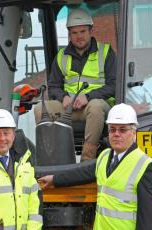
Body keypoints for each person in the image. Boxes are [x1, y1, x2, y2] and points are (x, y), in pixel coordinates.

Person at [38, 103, 152, 230]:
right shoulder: (104, 157)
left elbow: (148, 215)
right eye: (112, 130)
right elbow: (83, 172)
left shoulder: (146, 166)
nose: (116, 134)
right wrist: (55, 179)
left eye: (122, 130)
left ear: (133, 132)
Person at [34, 8, 116, 160]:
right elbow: (53, 86)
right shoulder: (61, 56)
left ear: (91, 31)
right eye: (74, 33)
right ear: (69, 34)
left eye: (82, 31)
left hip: (95, 106)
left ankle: (87, 158)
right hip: (68, 107)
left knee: (96, 107)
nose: (79, 37)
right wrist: (63, 97)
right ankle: (54, 158)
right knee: (40, 109)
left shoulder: (105, 52)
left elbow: (114, 85)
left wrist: (89, 96)